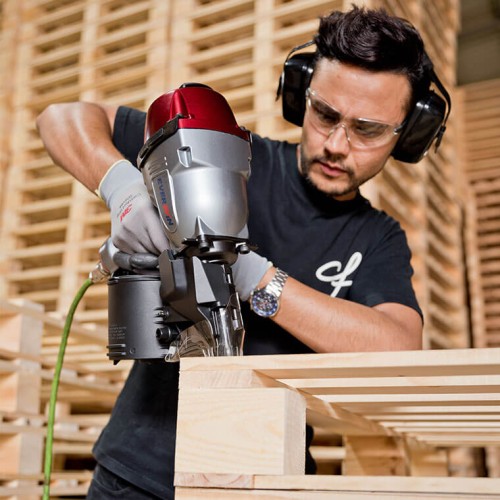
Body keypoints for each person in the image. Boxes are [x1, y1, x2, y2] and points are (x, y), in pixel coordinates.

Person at [35, 5, 444, 499]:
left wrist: (255, 278)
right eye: (325, 114)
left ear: (408, 134)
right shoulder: (225, 155)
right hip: (135, 474)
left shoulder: (378, 238)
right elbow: (62, 118)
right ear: (299, 94)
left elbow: (396, 347)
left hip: (266, 478)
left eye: (368, 129)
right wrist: (120, 187)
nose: (337, 144)